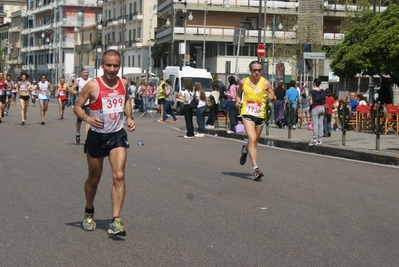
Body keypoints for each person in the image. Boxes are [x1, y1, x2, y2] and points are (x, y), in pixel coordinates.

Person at [73, 49, 136, 236]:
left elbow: (126, 100)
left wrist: (129, 116)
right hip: (97, 136)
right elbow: (77, 107)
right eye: (108, 65)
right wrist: (88, 119)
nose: (112, 69)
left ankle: (116, 220)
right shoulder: (92, 85)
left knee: (118, 175)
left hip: (117, 135)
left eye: (116, 65)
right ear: (102, 65)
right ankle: (89, 211)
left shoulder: (123, 83)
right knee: (94, 179)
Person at [236, 60, 275, 181]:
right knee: (252, 139)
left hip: (260, 115)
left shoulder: (266, 83)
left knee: (254, 143)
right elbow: (239, 93)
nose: (257, 72)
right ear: (250, 70)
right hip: (247, 113)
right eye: (254, 70)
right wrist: (238, 101)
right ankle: (255, 169)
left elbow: (273, 95)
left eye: (259, 70)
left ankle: (244, 150)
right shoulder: (244, 82)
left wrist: (271, 96)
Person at [68, 68, 92, 144]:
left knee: (88, 119)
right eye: (84, 72)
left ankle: (87, 136)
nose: (86, 74)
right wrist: (78, 92)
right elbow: (71, 90)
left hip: (88, 102)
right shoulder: (78, 80)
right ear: (81, 73)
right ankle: (77, 133)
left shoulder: (91, 80)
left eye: (87, 72)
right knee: (79, 120)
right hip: (80, 102)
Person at [308, 78, 326, 146]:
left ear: (314, 83)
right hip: (322, 107)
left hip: (315, 108)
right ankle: (320, 139)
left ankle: (315, 139)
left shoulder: (312, 92)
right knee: (321, 124)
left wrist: (309, 102)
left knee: (315, 124)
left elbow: (311, 102)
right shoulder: (322, 91)